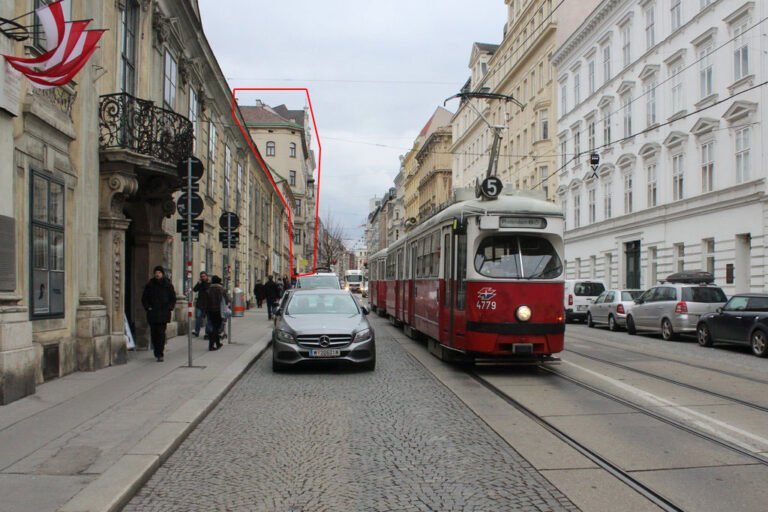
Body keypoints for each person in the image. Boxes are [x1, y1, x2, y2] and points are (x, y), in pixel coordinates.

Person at [141, 266, 176, 362]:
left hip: (163, 313)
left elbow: (173, 298)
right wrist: (148, 307)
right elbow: (144, 298)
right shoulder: (150, 285)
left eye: (159, 273)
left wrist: (169, 307)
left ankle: (160, 353)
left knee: (161, 333)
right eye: (156, 272)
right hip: (153, 313)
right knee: (154, 333)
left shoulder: (167, 285)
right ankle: (156, 350)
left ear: (162, 274)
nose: (157, 274)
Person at [205, 275, 229, 350]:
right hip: (219, 310)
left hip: (210, 310)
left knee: (213, 325)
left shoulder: (209, 289)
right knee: (216, 327)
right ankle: (211, 345)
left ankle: (218, 343)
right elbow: (227, 299)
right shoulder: (221, 289)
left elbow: (206, 300)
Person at [192, 271, 209, 336]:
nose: (203, 278)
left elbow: (206, 288)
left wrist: (203, 282)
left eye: (204, 276)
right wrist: (198, 283)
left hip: (207, 304)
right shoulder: (200, 283)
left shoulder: (208, 283)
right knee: (198, 317)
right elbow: (195, 289)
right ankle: (197, 331)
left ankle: (207, 332)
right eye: (201, 277)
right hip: (200, 303)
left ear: (206, 276)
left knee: (207, 319)